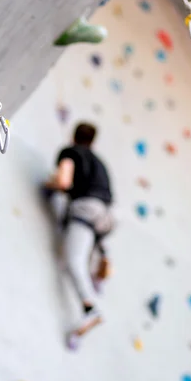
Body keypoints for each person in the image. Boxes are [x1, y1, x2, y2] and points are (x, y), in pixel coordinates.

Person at [43, 122, 114, 349]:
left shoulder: (70, 153)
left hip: (84, 210)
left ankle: (89, 308)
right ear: (92, 141)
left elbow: (64, 181)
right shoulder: (101, 164)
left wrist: (49, 184)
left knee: (74, 261)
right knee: (85, 237)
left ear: (74, 136)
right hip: (107, 216)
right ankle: (98, 263)